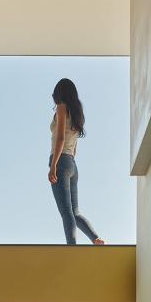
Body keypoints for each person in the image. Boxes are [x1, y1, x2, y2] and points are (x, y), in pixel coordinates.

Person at [48, 78, 105, 246]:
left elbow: (60, 138)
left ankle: (71, 248)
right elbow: (74, 148)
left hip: (60, 161)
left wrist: (53, 166)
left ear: (59, 94)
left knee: (66, 213)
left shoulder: (61, 108)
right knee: (75, 212)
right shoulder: (76, 113)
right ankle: (95, 238)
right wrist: (68, 161)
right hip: (72, 164)